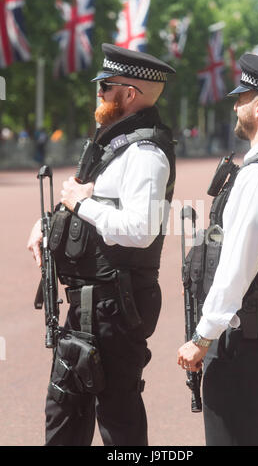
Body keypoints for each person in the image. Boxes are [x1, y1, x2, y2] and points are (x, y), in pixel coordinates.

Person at [27, 43, 176, 446]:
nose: (99, 93)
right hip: (88, 303)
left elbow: (139, 229)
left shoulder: (145, 152)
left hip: (117, 305)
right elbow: (89, 206)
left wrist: (81, 202)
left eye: (106, 86)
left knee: (119, 423)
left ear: (129, 94)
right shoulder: (117, 145)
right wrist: (47, 224)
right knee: (63, 414)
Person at [177, 53, 258, 446]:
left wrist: (201, 337)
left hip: (241, 341)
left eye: (242, 97)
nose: (235, 105)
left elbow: (236, 266)